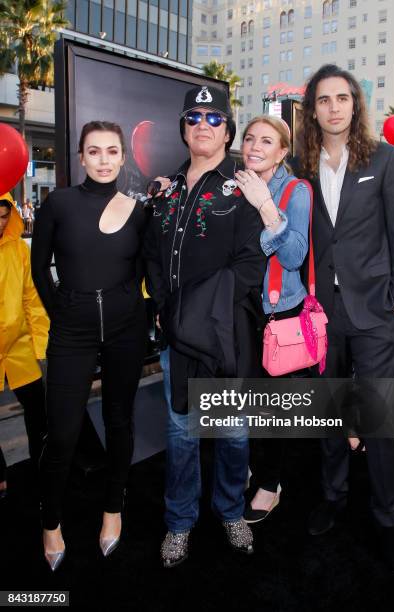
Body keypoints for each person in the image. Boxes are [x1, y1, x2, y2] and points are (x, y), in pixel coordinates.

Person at [295, 64, 394, 571]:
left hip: (375, 313)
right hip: (323, 312)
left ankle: (387, 517)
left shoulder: (386, 159)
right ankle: (334, 496)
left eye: (342, 97)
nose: (335, 107)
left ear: (355, 104)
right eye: (324, 99)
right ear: (313, 109)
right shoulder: (302, 165)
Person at [144, 84, 266, 567]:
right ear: (183, 128)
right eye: (193, 117)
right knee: (181, 432)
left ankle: (231, 510)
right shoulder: (165, 189)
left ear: (228, 131)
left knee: (233, 431)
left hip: (223, 332)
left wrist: (200, 306)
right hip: (176, 334)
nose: (202, 125)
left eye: (214, 119)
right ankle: (179, 522)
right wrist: (162, 304)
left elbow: (252, 264)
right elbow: (152, 255)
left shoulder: (241, 188)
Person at [31, 121, 148, 571]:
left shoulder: (137, 211)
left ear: (123, 157)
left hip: (126, 329)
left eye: (111, 151)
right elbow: (40, 267)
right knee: (61, 433)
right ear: (80, 157)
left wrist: (125, 307)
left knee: (120, 421)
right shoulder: (59, 203)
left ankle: (113, 509)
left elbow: (138, 270)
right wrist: (62, 311)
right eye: (93, 151)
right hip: (71, 330)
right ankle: (50, 520)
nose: (103, 159)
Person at [233, 116, 311, 523]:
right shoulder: (234, 185)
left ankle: (270, 484)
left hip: (278, 312)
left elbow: (294, 257)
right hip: (240, 310)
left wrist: (265, 204)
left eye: (267, 140)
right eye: (249, 138)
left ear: (283, 152)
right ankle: (248, 464)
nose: (255, 146)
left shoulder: (295, 191)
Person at [0, 192, 49, 499]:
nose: (0, 222)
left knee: (37, 410)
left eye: (4, 215)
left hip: (19, 347)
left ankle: (41, 470)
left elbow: (32, 300)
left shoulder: (19, 250)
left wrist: (41, 347)